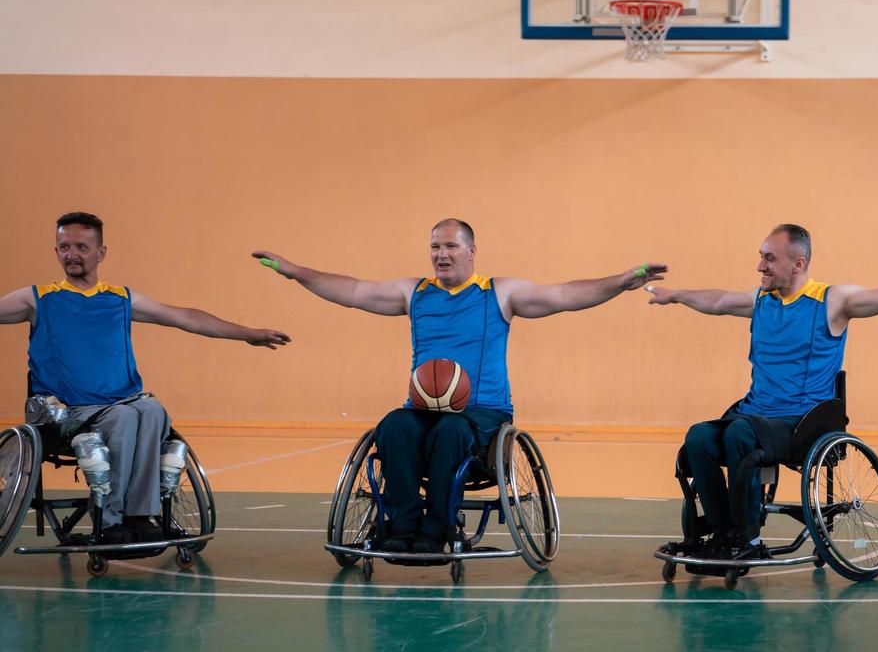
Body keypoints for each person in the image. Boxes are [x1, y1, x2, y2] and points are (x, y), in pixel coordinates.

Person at [255, 218, 666, 554]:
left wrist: (618, 281)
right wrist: (294, 271)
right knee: (393, 426)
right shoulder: (413, 292)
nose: (441, 254)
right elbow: (351, 291)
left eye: (450, 246)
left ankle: (437, 529)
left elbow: (563, 295)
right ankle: (402, 527)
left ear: (471, 251)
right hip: (423, 407)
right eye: (435, 247)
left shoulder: (499, 293)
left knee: (452, 430)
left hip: (482, 412)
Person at [648, 223, 878, 563]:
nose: (760, 266)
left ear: (798, 263)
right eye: (760, 256)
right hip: (754, 415)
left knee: (741, 433)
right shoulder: (762, 301)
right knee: (699, 436)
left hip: (801, 422)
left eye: (769, 258)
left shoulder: (832, 301)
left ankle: (748, 541)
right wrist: (675, 294)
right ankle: (721, 531)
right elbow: (716, 300)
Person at [0, 212, 290, 543]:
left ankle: (140, 516)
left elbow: (185, 317)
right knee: (123, 417)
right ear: (56, 251)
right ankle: (109, 522)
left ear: (101, 253)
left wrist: (246, 334)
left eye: (81, 246)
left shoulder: (120, 299)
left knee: (153, 410)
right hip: (65, 413)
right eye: (64, 246)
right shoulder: (37, 299)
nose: (72, 254)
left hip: (118, 404)